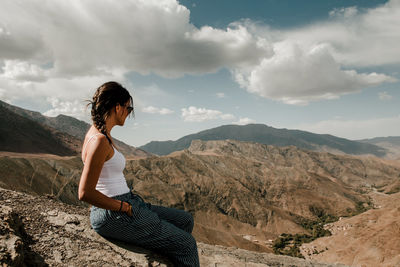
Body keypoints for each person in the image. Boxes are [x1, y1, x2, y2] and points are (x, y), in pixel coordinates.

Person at [78, 81, 200, 267]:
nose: (129, 113)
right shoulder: (99, 140)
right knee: (187, 244)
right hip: (114, 212)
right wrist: (122, 207)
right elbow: (85, 192)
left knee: (184, 220)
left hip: (125, 202)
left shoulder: (100, 134)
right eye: (129, 108)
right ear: (118, 107)